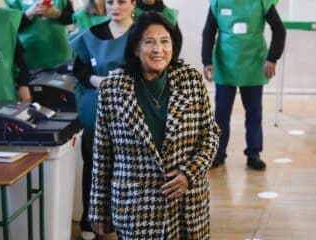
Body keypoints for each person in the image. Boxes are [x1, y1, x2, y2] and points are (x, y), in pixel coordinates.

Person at [88, 12, 220, 239]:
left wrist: (190, 173)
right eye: (149, 42)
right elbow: (102, 154)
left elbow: (210, 135)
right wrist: (98, 207)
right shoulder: (112, 90)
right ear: (135, 48)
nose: (158, 49)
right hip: (136, 208)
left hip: (185, 204)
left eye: (164, 41)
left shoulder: (191, 80)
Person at [70, 0, 136, 239]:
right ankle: (91, 219)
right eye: (110, 2)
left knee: (126, 167)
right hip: (95, 107)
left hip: (130, 109)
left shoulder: (141, 33)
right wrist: (95, 80)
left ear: (133, 4)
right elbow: (79, 69)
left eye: (121, 2)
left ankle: (124, 220)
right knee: (93, 163)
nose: (115, 7)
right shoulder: (93, 34)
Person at [202, 0, 286, 170]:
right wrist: (206, 61)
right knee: (221, 114)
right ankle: (218, 153)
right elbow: (209, 32)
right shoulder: (218, 3)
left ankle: (254, 154)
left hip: (253, 63)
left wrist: (272, 58)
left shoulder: (262, 3)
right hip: (226, 63)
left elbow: (279, 30)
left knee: (254, 112)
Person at [9, 0, 74, 69]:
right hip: (31, 54)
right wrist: (28, 14)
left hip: (60, 51)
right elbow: (10, 27)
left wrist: (58, 14)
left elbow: (72, 18)